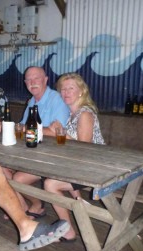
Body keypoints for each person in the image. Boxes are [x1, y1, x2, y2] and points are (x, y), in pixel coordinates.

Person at [0, 66, 71, 218]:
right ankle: (22, 206)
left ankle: (34, 205)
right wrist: (6, 126)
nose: (32, 82)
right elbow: (22, 127)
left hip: (53, 157)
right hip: (31, 153)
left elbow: (58, 133)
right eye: (28, 79)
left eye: (36, 78)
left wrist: (27, 129)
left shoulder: (56, 99)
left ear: (45, 80)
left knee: (18, 178)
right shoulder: (32, 102)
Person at [43, 73, 105, 241]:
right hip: (82, 164)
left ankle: (68, 232)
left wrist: (60, 132)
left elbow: (83, 148)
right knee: (49, 168)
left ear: (81, 92)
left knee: (50, 184)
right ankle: (79, 201)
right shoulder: (74, 114)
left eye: (71, 88)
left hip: (94, 168)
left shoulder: (84, 114)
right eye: (63, 89)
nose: (66, 92)